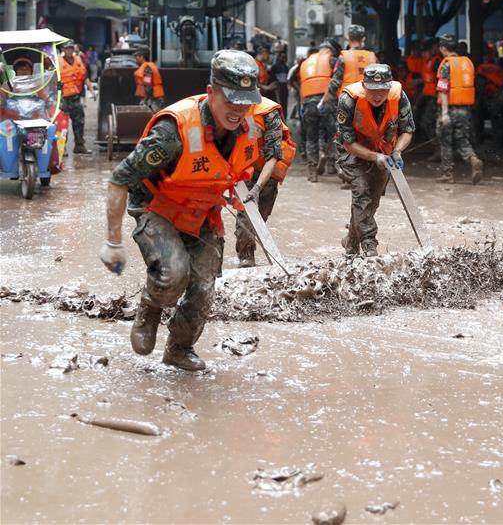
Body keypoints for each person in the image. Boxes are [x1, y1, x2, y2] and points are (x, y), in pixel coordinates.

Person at [100, 50, 264, 370]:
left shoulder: (250, 128)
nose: (239, 110)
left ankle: (179, 348)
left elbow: (243, 168)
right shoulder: (172, 133)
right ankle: (150, 306)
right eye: (231, 101)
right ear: (211, 92)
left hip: (202, 212)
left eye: (246, 102)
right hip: (158, 207)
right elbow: (119, 179)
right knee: (174, 274)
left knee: (203, 288)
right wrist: (113, 242)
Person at [335, 64, 415, 256]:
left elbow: (407, 130)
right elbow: (348, 143)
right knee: (361, 193)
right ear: (364, 85)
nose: (378, 95)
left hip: (385, 151)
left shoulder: (399, 95)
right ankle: (369, 245)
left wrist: (397, 151)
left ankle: (351, 243)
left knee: (372, 202)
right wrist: (376, 157)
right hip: (352, 152)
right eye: (373, 90)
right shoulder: (348, 100)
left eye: (383, 90)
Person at [234, 94, 296, 267]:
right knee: (246, 214)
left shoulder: (269, 113)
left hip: (266, 168)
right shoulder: (225, 109)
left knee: (260, 215)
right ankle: (246, 256)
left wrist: (258, 187)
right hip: (241, 169)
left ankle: (249, 243)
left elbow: (273, 155)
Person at [319, 25, 377, 175]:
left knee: (345, 136)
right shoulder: (372, 57)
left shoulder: (343, 57)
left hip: (347, 101)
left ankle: (346, 171)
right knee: (365, 137)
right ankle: (365, 168)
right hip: (368, 102)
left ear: (347, 39)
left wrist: (324, 100)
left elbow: (335, 83)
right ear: (364, 39)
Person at [435, 34, 483, 184]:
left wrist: (444, 114)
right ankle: (473, 159)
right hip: (465, 110)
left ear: (443, 48)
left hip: (449, 109)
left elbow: (443, 90)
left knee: (445, 141)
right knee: (462, 139)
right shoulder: (467, 63)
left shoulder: (446, 65)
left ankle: (447, 174)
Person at [299, 40, 338, 182]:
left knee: (311, 137)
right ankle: (334, 165)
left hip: (309, 103)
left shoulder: (305, 63)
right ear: (330, 51)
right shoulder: (332, 60)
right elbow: (337, 80)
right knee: (334, 134)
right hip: (327, 101)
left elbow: (301, 86)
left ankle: (312, 172)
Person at [59, 41, 90, 154]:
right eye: (67, 48)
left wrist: (91, 90)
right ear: (63, 49)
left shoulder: (78, 60)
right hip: (64, 98)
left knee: (79, 121)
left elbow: (85, 76)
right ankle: (62, 148)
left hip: (76, 97)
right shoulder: (58, 62)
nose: (69, 50)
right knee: (63, 124)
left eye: (71, 48)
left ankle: (79, 145)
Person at [133, 47, 165, 112]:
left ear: (142, 56)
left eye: (137, 56)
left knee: (154, 115)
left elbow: (148, 85)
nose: (136, 59)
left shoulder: (147, 68)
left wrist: (145, 99)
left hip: (153, 99)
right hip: (152, 98)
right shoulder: (147, 67)